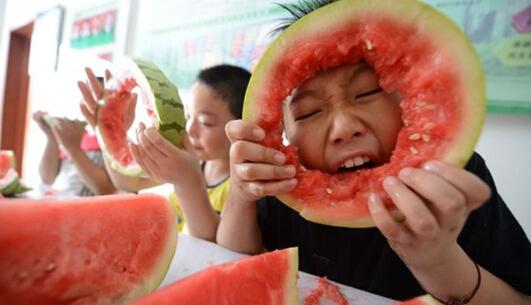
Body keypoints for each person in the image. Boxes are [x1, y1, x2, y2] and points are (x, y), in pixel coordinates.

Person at [216, 2, 531, 305]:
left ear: (408, 96)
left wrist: (439, 260)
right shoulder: (280, 184)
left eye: (367, 93)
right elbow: (236, 261)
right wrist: (242, 197)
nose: (343, 128)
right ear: (283, 133)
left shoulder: (453, 179)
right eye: (309, 112)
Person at [78, 65, 251, 241]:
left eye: (206, 123)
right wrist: (111, 134)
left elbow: (214, 245)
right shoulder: (192, 161)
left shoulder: (243, 185)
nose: (190, 130)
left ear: (242, 126)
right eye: (189, 116)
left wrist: (188, 182)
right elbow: (128, 182)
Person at [33, 111, 116, 197]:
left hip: (84, 207)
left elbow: (103, 189)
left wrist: (74, 149)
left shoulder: (107, 144)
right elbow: (47, 178)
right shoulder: (68, 140)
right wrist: (51, 137)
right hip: (59, 202)